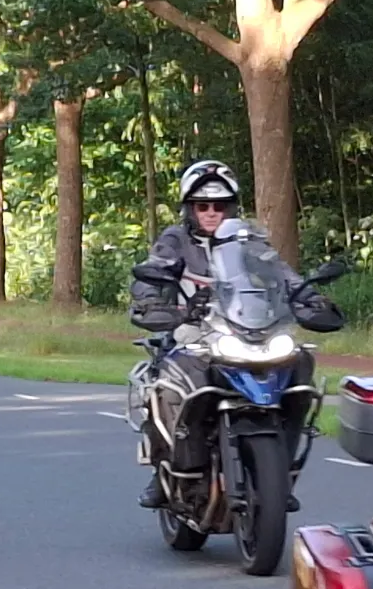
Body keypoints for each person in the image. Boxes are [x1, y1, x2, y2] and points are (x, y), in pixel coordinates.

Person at [128, 159, 345, 510]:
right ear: (190, 208)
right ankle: (165, 469)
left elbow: (283, 275)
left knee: (299, 364)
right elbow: (150, 274)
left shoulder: (249, 242)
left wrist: (310, 299)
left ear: (232, 207)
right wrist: (153, 304)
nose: (211, 212)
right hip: (190, 335)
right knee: (170, 382)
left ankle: (279, 472)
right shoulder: (175, 240)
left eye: (220, 205)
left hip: (247, 333)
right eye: (203, 205)